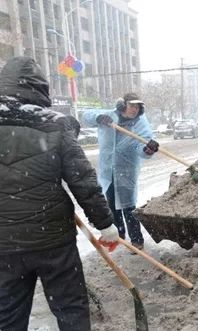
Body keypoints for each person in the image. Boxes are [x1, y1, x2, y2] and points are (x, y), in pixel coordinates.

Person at [0, 56, 119, 330]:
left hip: (4, 247)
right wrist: (105, 225)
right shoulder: (55, 124)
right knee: (71, 310)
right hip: (52, 242)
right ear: (40, 88)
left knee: (7, 316)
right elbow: (84, 182)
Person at [82, 92, 159, 252]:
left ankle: (137, 241)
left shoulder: (140, 124)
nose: (134, 109)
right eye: (132, 105)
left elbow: (141, 147)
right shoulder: (110, 116)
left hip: (126, 170)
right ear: (123, 105)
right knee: (111, 204)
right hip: (107, 169)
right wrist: (99, 118)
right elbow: (85, 115)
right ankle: (119, 236)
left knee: (128, 206)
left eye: (138, 106)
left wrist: (147, 149)